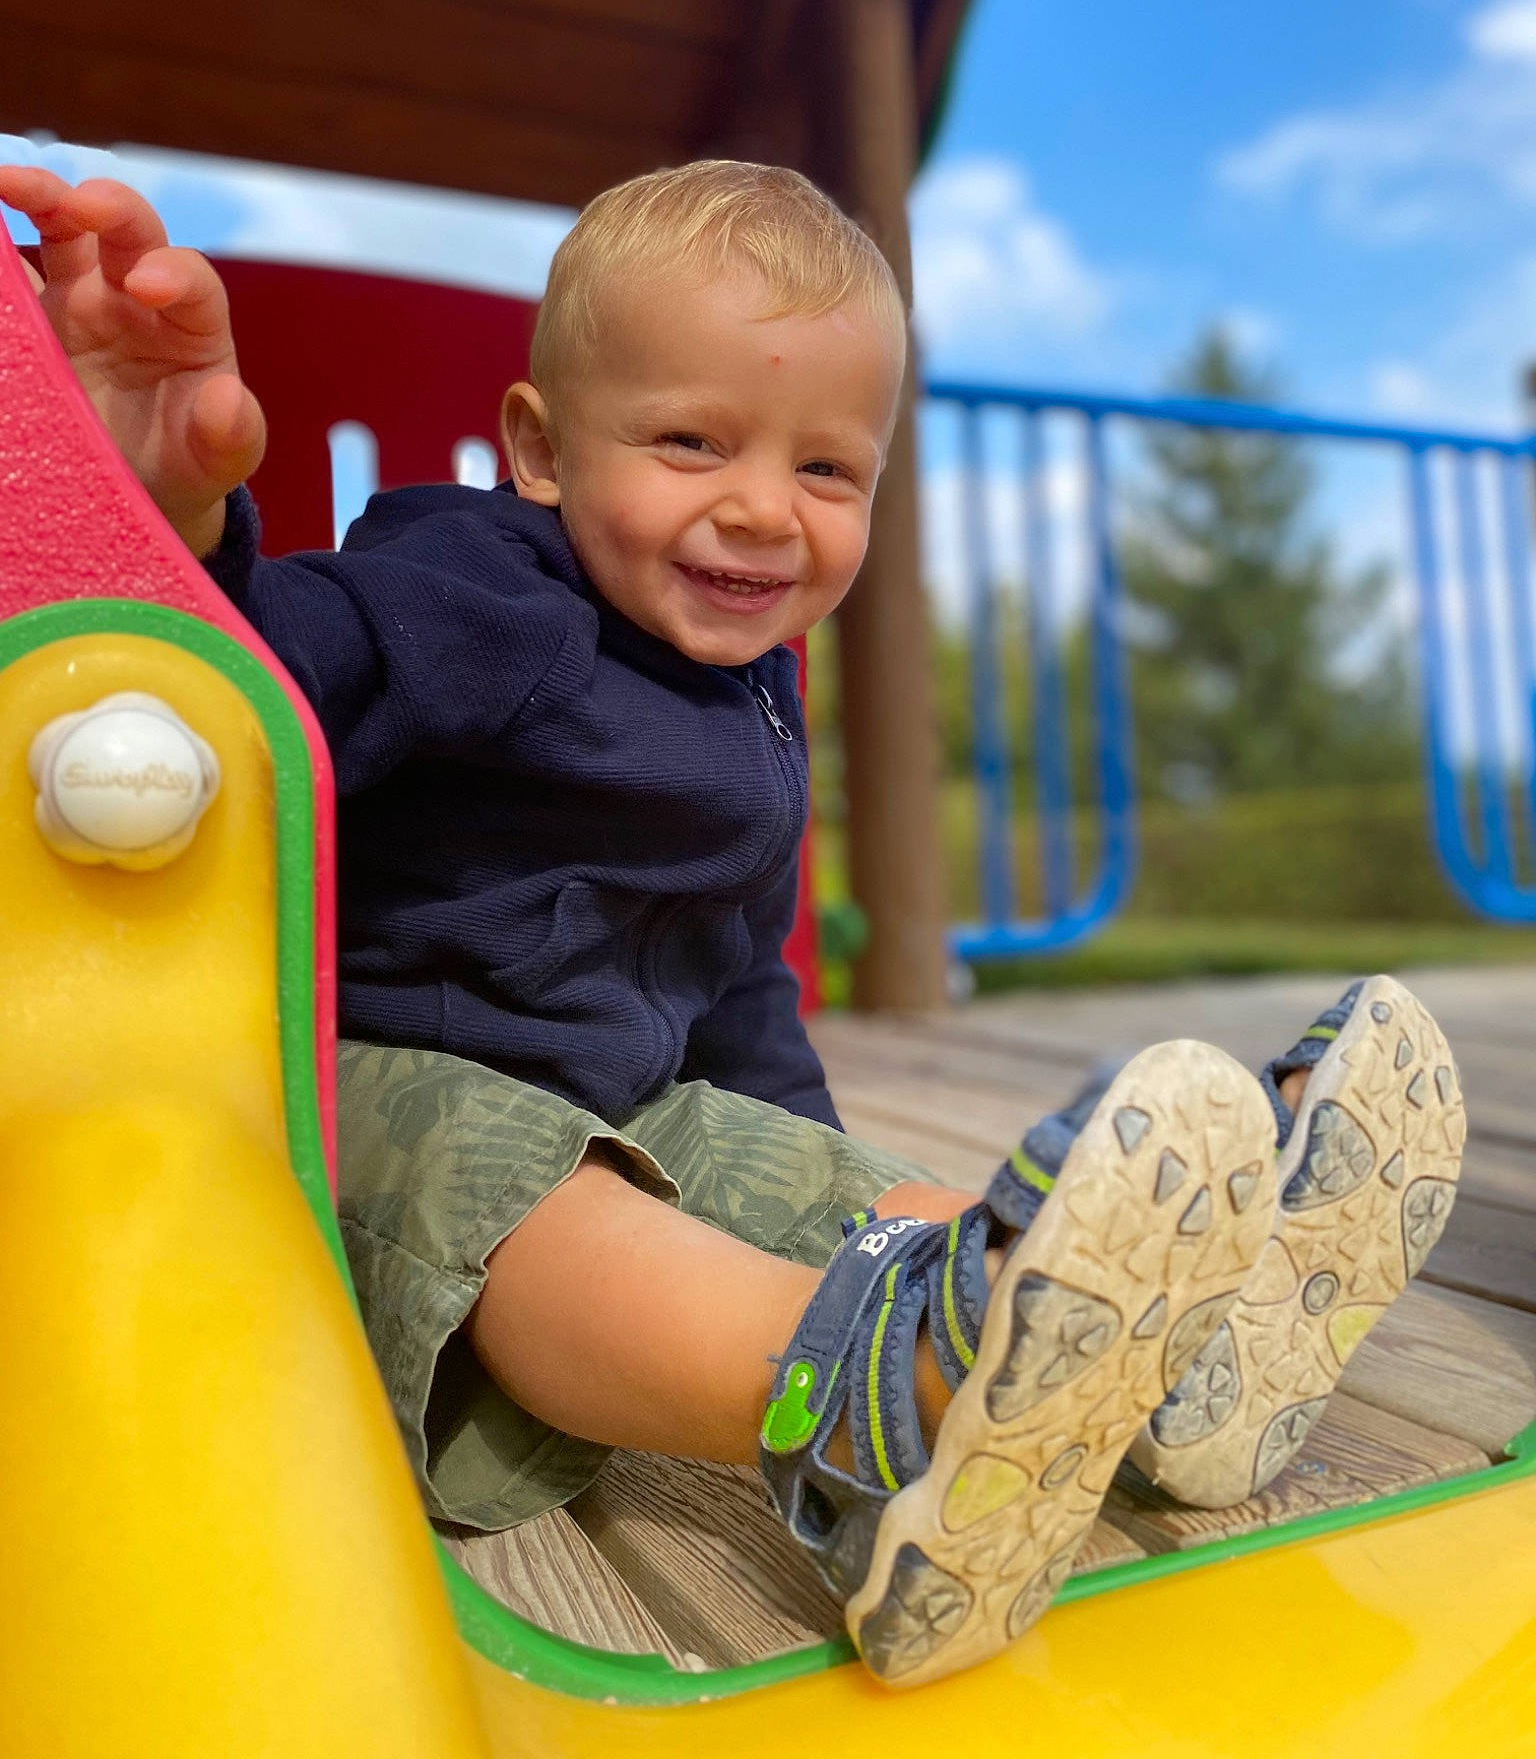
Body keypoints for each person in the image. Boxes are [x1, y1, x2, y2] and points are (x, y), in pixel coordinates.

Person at [0, 159, 1466, 1688]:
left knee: (791, 1157)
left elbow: (734, 991)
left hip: (609, 1104)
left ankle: (1142, 1357)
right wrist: (160, 511)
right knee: (521, 1177)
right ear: (541, 452)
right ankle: (865, 1407)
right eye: (693, 442)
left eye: (828, 472)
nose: (765, 508)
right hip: (344, 1113)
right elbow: (247, 683)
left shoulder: (750, 699)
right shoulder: (483, 597)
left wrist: (829, 1187)